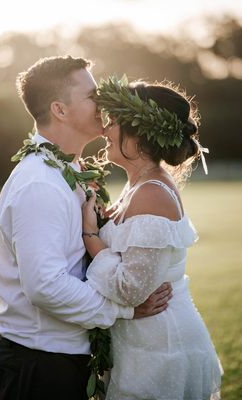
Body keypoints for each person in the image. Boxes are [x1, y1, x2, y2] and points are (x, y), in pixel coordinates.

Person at [0, 56, 172, 400]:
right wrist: (125, 310)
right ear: (59, 109)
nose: (102, 102)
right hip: (40, 363)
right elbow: (45, 286)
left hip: (67, 355)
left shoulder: (71, 171)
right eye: (91, 94)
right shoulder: (40, 183)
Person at [82, 76, 223, 400]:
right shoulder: (138, 185)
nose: (105, 130)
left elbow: (130, 289)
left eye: (114, 121)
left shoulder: (152, 194)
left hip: (160, 348)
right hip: (139, 341)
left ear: (141, 132)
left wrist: (90, 234)